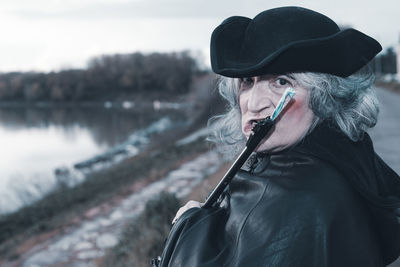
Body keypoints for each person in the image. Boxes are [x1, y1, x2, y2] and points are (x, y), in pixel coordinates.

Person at [161, 6, 400, 267]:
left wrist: (187, 228)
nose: (254, 103)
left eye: (281, 82)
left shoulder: (302, 203)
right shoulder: (329, 165)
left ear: (325, 97)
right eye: (247, 82)